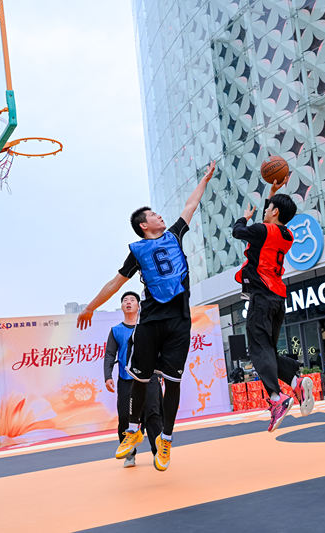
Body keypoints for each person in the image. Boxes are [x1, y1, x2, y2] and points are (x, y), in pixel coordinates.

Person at [77, 160, 216, 472]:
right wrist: (90, 307)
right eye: (154, 214)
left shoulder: (175, 234)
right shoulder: (138, 251)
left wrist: (205, 180)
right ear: (144, 225)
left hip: (178, 320)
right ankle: (132, 431)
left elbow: (191, 205)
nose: (160, 216)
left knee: (173, 382)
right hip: (151, 321)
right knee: (140, 378)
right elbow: (115, 283)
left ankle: (165, 439)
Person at [232, 180, 314, 431]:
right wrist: (272, 195)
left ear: (275, 212)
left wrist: (244, 218)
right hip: (278, 298)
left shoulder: (261, 230)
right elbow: (269, 224)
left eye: (268, 208)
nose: (264, 211)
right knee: (266, 349)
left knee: (259, 351)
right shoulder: (287, 235)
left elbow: (237, 231)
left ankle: (277, 398)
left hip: (261, 297)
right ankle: (295, 382)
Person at [103, 291, 164, 468]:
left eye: (132, 300)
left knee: (153, 415)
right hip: (126, 380)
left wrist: (162, 373)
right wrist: (108, 376)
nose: (128, 302)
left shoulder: (149, 327)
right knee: (125, 417)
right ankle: (129, 455)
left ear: (138, 305)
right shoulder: (116, 330)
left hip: (149, 378)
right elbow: (109, 354)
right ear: (122, 306)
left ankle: (158, 453)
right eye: (125, 300)